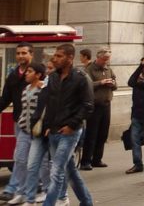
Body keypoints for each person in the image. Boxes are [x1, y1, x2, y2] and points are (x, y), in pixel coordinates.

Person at [42, 43, 94, 206]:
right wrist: (48, 126)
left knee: (56, 172)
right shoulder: (53, 77)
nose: (55, 59)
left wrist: (72, 125)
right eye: (55, 55)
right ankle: (87, 202)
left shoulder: (81, 77)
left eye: (59, 56)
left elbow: (88, 106)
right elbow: (50, 104)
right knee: (70, 171)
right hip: (54, 131)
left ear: (70, 58)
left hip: (70, 132)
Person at [0, 43, 33, 202]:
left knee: (20, 156)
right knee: (23, 157)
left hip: (34, 123)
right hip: (19, 121)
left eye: (24, 53)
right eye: (18, 53)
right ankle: (31, 187)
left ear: (31, 54)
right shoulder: (13, 75)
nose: (20, 56)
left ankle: (13, 189)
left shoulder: (37, 72)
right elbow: (5, 98)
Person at [11, 62, 46, 206]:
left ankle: (45, 191)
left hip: (37, 132)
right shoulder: (26, 89)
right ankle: (21, 193)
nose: (26, 73)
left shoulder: (43, 88)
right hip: (24, 130)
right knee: (19, 160)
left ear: (38, 75)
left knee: (39, 164)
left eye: (30, 71)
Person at [81, 48, 117, 170]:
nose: (106, 61)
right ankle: (86, 160)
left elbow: (115, 85)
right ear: (98, 57)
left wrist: (112, 83)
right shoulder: (90, 69)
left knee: (103, 134)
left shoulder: (108, 69)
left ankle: (97, 159)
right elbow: (86, 85)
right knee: (92, 134)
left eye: (108, 59)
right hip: (94, 106)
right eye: (104, 59)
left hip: (106, 105)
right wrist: (101, 83)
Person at [126, 56, 144, 174]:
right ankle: (137, 164)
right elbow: (131, 82)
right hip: (136, 113)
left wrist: (140, 81)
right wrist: (140, 66)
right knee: (134, 139)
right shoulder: (138, 75)